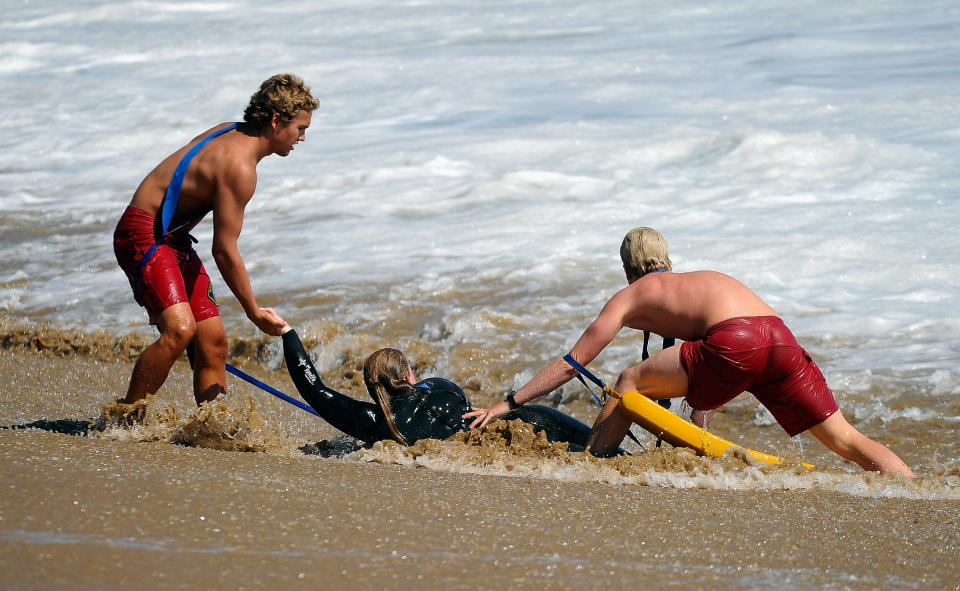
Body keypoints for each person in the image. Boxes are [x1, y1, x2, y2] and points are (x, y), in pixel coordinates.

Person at [466, 228, 914, 477]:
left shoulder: (632, 295)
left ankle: (592, 466)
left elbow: (573, 364)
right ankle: (910, 487)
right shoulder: (702, 281)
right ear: (668, 259)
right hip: (780, 338)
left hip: (733, 341)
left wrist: (507, 403)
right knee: (846, 440)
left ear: (627, 268)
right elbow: (716, 374)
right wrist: (698, 429)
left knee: (627, 380)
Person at [113, 74, 319, 405]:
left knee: (214, 341)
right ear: (277, 121)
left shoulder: (231, 129)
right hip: (143, 234)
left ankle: (213, 426)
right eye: (300, 128)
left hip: (172, 238)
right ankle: (124, 418)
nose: (303, 137)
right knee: (180, 330)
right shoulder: (240, 167)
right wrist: (253, 311)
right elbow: (223, 250)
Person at [279, 325, 596, 449]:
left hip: (480, 448)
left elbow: (316, 391)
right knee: (598, 450)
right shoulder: (441, 387)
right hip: (526, 422)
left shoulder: (376, 423)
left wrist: (288, 334)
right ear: (409, 374)